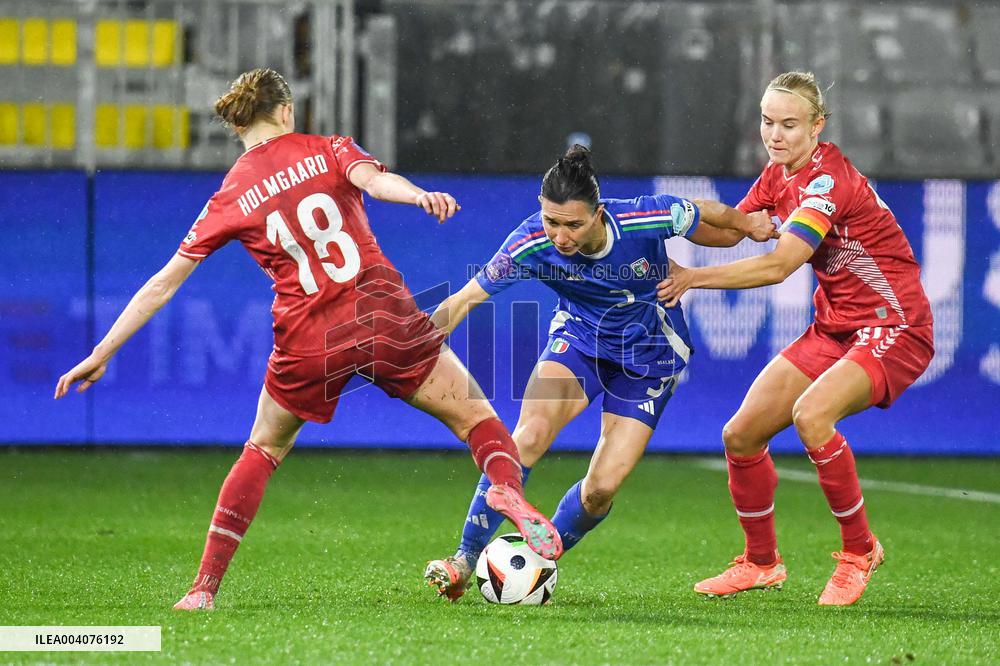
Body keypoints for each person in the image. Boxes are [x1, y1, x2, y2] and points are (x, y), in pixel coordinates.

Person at [53, 68, 562, 611]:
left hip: (307, 336)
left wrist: (100, 353)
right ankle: (507, 486)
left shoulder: (229, 196)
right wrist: (418, 197)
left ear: (240, 124)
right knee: (477, 420)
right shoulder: (328, 148)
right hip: (380, 312)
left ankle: (203, 589)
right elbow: (374, 182)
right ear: (286, 111)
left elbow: (163, 284)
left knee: (264, 448)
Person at [423, 145, 777, 601]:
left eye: (573, 224)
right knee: (527, 436)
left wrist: (748, 225)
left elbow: (705, 212)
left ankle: (537, 563)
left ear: (598, 214)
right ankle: (463, 561)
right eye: (552, 221)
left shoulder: (641, 218)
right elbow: (463, 301)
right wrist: (414, 343)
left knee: (601, 491)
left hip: (649, 356)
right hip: (580, 340)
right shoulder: (529, 243)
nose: (560, 236)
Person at [658, 71, 934, 606]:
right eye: (767, 122)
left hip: (893, 325)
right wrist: (660, 223)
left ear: (817, 126)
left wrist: (691, 277)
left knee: (812, 416)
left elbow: (782, 264)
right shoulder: (778, 173)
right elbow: (733, 228)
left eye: (789, 124)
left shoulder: (826, 182)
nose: (775, 134)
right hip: (834, 326)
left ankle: (859, 552)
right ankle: (762, 564)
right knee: (740, 436)